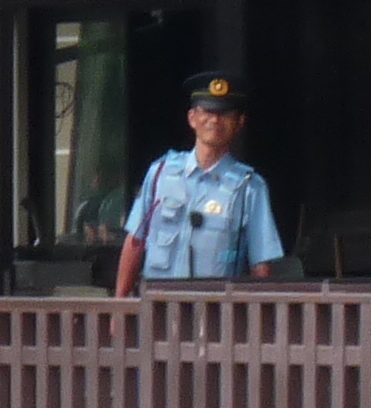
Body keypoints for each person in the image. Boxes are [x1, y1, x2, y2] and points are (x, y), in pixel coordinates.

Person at [114, 71, 288, 293]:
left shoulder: (249, 188)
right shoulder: (160, 173)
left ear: (240, 122)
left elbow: (261, 264)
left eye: (225, 114)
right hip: (157, 310)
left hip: (215, 313)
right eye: (207, 111)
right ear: (192, 118)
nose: (215, 120)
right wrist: (119, 305)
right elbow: (135, 243)